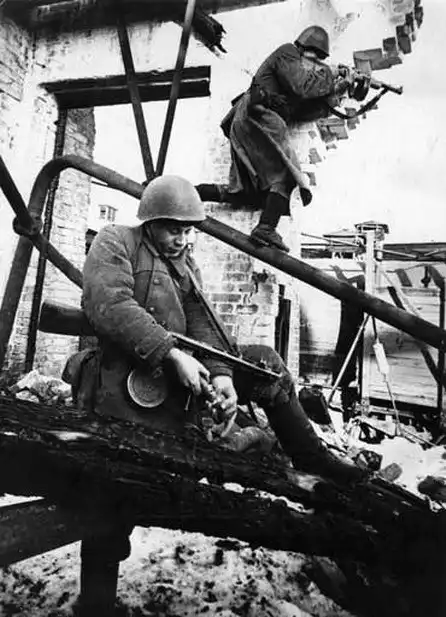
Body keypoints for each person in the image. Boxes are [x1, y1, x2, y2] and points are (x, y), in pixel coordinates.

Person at [74, 175, 366, 614]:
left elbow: (202, 322)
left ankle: (310, 456)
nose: (182, 238)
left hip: (177, 374)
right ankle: (96, 604)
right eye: (173, 229)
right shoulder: (117, 242)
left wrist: (223, 375)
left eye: (187, 230)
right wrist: (171, 353)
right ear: (150, 221)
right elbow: (109, 304)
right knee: (113, 488)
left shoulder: (184, 263)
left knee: (265, 362)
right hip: (124, 382)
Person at [197, 25, 353, 252]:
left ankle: (188, 194)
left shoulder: (292, 77)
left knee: (244, 192)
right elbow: (303, 86)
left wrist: (341, 88)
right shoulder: (288, 52)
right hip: (258, 115)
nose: (315, 64)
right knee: (288, 175)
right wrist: (331, 73)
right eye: (315, 59)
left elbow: (306, 108)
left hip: (253, 120)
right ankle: (266, 228)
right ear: (306, 50)